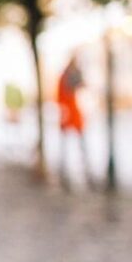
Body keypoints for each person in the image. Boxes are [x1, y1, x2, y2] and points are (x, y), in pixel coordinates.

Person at [56, 55, 94, 190]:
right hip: (69, 113)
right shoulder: (65, 76)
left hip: (73, 113)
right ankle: (65, 172)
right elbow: (61, 96)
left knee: (77, 144)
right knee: (69, 145)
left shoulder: (69, 75)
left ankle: (82, 170)